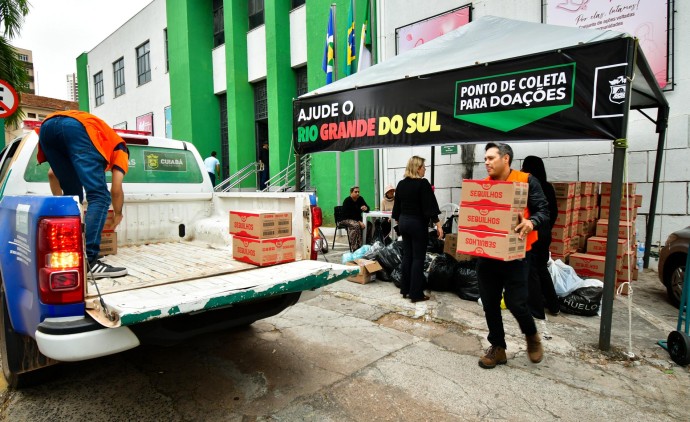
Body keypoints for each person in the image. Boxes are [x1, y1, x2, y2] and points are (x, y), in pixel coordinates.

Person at [477, 143, 550, 369]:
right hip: (488, 254)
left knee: (516, 302)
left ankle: (531, 336)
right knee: (489, 302)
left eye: (491, 158)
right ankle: (498, 347)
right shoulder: (483, 187)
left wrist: (531, 222)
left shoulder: (526, 180)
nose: (486, 162)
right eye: (485, 158)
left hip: (517, 254)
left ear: (505, 159)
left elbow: (544, 210)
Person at [37, 110, 129, 278]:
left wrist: (62, 205)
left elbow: (52, 174)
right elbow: (116, 189)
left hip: (46, 127)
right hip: (77, 127)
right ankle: (90, 261)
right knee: (99, 196)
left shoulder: (100, 140)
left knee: (73, 196)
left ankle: (71, 252)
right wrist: (118, 214)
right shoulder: (120, 147)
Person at [392, 156, 443, 303]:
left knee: (407, 256)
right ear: (417, 168)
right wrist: (438, 225)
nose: (425, 169)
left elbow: (397, 207)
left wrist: (399, 221)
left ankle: (405, 289)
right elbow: (430, 206)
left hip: (403, 222)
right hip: (417, 224)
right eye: (423, 167)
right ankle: (416, 294)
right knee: (418, 258)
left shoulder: (401, 184)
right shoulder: (422, 184)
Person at [521, 156, 561, 318]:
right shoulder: (548, 187)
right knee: (542, 268)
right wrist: (547, 228)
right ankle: (554, 305)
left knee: (531, 270)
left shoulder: (527, 186)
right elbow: (554, 212)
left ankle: (535, 309)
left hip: (531, 233)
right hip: (545, 234)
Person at [341, 186, 370, 251]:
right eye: (355, 192)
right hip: (346, 219)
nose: (357, 193)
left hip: (357, 219)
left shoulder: (360, 199)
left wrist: (366, 208)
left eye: (358, 192)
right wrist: (359, 221)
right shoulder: (347, 201)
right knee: (356, 225)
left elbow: (367, 208)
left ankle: (367, 244)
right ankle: (355, 247)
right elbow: (349, 215)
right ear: (351, 193)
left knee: (369, 224)